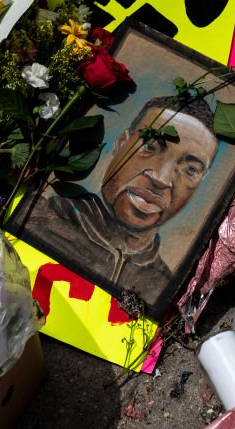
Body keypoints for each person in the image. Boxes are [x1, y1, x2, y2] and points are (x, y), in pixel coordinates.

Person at [30, 94, 219, 310]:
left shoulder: (165, 291)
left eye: (191, 169)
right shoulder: (37, 218)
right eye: (150, 146)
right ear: (121, 143)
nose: (161, 179)